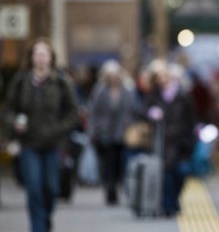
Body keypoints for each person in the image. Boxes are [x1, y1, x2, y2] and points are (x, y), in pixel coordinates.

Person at [4, 38, 80, 232]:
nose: (40, 58)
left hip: (54, 144)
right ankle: (37, 227)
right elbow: (8, 109)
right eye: (37, 54)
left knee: (51, 188)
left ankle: (45, 220)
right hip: (29, 143)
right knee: (34, 186)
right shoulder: (21, 81)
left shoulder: (61, 82)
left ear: (51, 58)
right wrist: (15, 123)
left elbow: (73, 113)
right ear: (31, 58)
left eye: (44, 54)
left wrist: (58, 129)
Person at [144, 60, 196, 217]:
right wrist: (151, 113)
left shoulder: (183, 96)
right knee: (166, 174)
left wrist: (191, 138)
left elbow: (191, 119)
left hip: (180, 142)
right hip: (162, 142)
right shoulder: (154, 95)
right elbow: (141, 110)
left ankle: (174, 200)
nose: (163, 79)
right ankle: (168, 206)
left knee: (180, 174)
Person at [88, 60, 136, 205]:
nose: (113, 78)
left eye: (115, 75)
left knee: (119, 164)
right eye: (110, 75)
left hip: (122, 133)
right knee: (107, 164)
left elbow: (132, 109)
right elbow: (93, 112)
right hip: (104, 133)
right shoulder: (99, 90)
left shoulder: (126, 90)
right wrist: (93, 132)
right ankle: (110, 191)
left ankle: (117, 187)